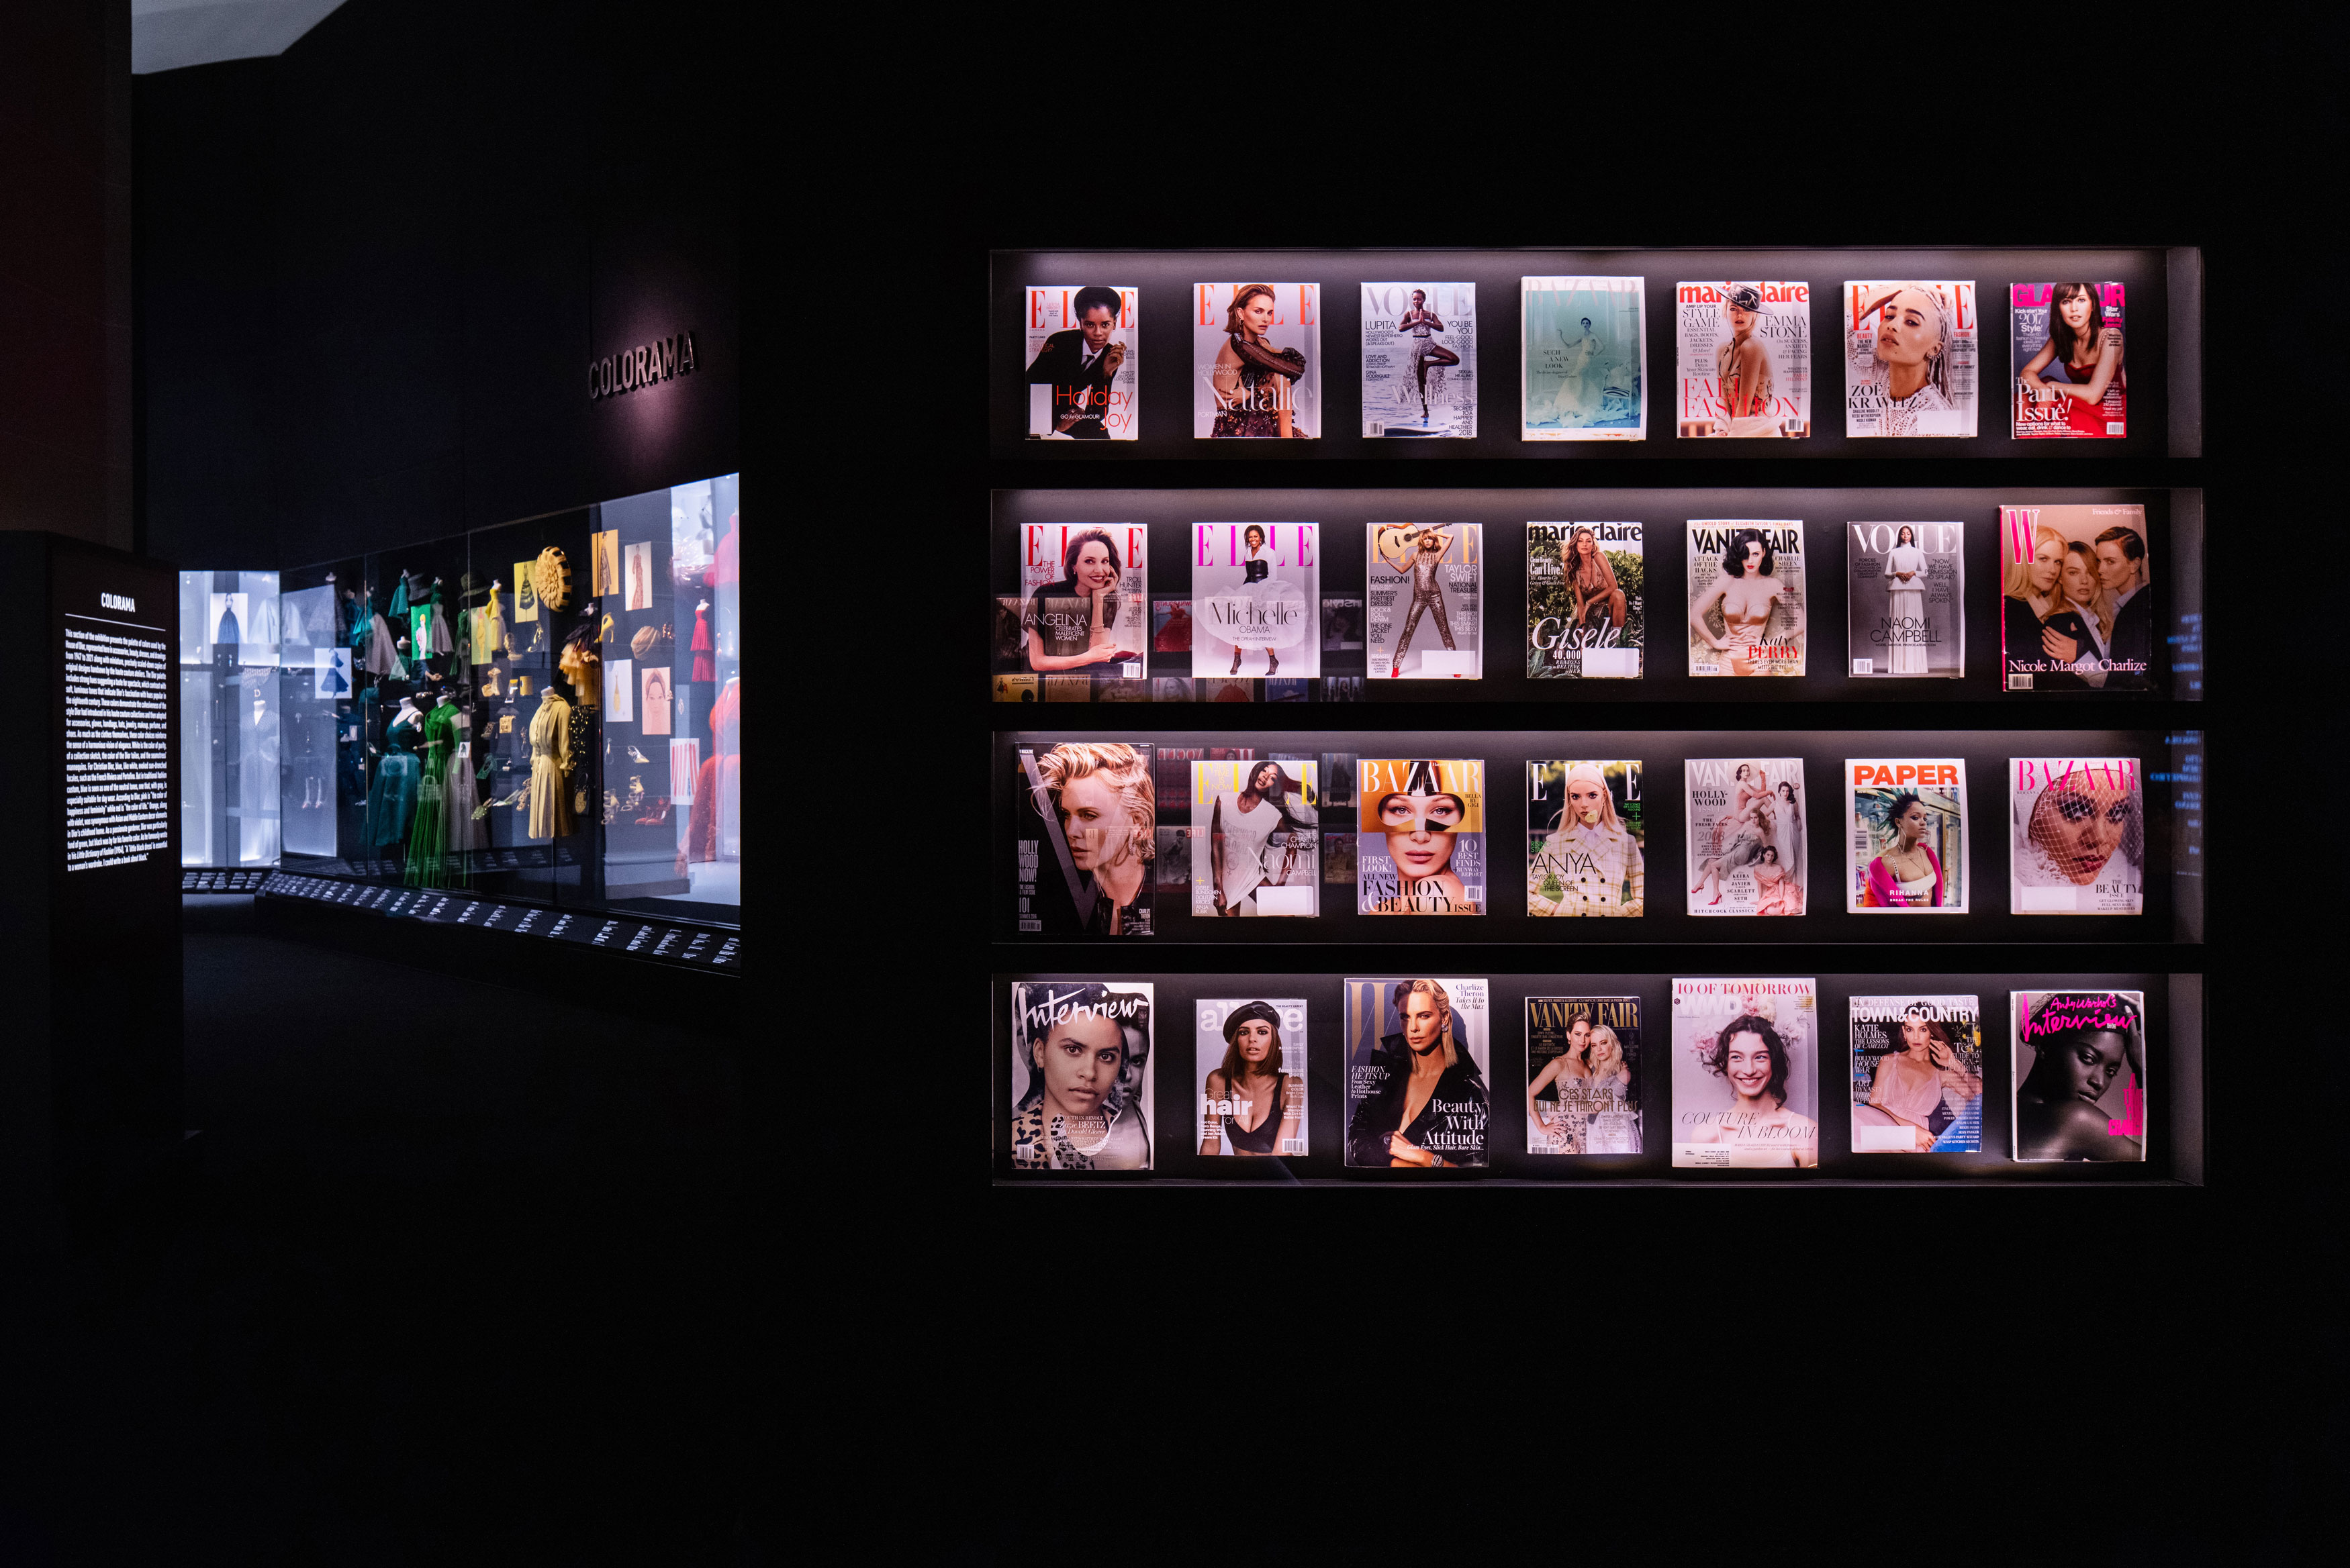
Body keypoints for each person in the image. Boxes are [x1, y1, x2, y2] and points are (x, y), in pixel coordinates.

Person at [1010, 982, 1152, 1169]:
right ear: (1040, 1053)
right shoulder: (1012, 1138)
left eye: (1106, 1056)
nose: (1090, 1073)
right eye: (1073, 1049)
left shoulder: (1136, 1138)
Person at [1346, 980, 1488, 1168]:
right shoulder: (1386, 1071)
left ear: (1444, 1018)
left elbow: (1476, 1171)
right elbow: (1357, 1136)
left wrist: (1420, 1156)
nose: (1413, 1027)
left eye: (1424, 1016)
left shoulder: (1470, 1094)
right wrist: (1396, 1163)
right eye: (1405, 1017)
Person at [1025, 741, 1153, 936]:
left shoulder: (1169, 888)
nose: (1071, 831)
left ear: (1137, 821)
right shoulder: (1050, 897)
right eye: (1067, 815)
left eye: (1089, 815)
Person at [2014, 993, 2144, 1161]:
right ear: (2045, 1045)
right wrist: (2142, 1067)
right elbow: (2162, 1161)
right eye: (2088, 1058)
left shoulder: (2013, 1111)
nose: (2099, 1082)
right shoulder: (2075, 1119)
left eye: (2111, 1071)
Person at [1684, 1014, 1818, 1167]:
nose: (1749, 1070)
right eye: (1736, 1057)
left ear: (1774, 1062)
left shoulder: (1805, 1132)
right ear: (1726, 1064)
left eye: (1760, 1057)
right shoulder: (1706, 1136)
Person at [1854, 1006, 1981, 1151]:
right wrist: (1911, 1130)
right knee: (1855, 1116)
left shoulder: (1942, 1074)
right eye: (1910, 1029)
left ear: (1932, 1032)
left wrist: (1955, 1064)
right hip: (1885, 1128)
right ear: (1904, 1032)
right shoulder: (1889, 1061)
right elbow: (1874, 1104)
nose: (1915, 1037)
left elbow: (1980, 1095)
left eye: (1923, 1029)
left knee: (1864, 1142)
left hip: (1917, 1143)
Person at [1527, 762, 1643, 916]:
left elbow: (1643, 898)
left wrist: (1618, 915)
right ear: (1569, 799)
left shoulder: (1626, 843)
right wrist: (1557, 911)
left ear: (1604, 796)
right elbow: (1526, 893)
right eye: (1575, 797)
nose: (1584, 805)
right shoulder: (1555, 843)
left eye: (1592, 795)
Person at [1206, 761, 1314, 916]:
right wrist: (1218, 888)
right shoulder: (1223, 800)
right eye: (1264, 770)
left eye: (1272, 777)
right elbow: (1216, 847)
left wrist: (1281, 883)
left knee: (1287, 916)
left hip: (1253, 878)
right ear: (1256, 770)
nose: (1265, 777)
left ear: (1274, 785)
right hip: (1227, 882)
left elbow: (1292, 844)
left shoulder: (1272, 814)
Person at [1689, 529, 1803, 675]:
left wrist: (1770, 643)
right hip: (1728, 661)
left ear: (1763, 552)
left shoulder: (1773, 585)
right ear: (1739, 554)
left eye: (1755, 554)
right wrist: (1715, 642)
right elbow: (1694, 615)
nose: (1750, 561)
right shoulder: (1726, 581)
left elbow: (1801, 621)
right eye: (1745, 554)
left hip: (1759, 661)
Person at [2015, 767, 2142, 898]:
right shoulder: (2015, 891)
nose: (2100, 839)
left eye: (2118, 813)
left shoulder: (2124, 892)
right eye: (2076, 810)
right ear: (2031, 814)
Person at [2017, 282, 2122, 439]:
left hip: (2107, 412)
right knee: (2026, 398)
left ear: (2093, 305)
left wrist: (2052, 386)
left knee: (2051, 425)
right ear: (2058, 309)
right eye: (2066, 301)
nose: (2074, 308)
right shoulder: (2061, 338)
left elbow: (2093, 395)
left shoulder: (2112, 337)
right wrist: (2042, 390)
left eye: (2081, 300)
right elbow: (2027, 372)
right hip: (2078, 403)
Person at [1025, 528, 1138, 673]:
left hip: (1079, 679)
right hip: (1038, 678)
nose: (1099, 570)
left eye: (1105, 561)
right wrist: (1088, 657)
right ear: (1074, 566)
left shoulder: (1107, 599)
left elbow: (1098, 660)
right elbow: (1037, 662)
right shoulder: (1045, 593)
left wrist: (1098, 600)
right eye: (1089, 561)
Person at [1854, 283, 1959, 434]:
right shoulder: (1877, 371)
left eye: (1911, 322)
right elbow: (1846, 310)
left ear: (1935, 349)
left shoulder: (1937, 415)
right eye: (1889, 316)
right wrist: (1907, 285)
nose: (1892, 325)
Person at [1025, 285, 1127, 439]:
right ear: (1081, 324)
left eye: (1105, 324)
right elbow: (1032, 386)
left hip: (1069, 411)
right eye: (1090, 325)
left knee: (1099, 433)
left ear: (1115, 323)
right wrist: (1055, 424)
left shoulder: (1110, 355)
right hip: (1034, 407)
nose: (1098, 333)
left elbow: (1097, 414)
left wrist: (1106, 373)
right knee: (1032, 438)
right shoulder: (1059, 342)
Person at [1201, 1001, 1300, 1157]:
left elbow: (1282, 1153)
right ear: (1236, 1041)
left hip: (1276, 1172)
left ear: (1273, 1039)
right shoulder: (1218, 1081)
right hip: (1238, 1172)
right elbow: (1210, 1145)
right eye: (1244, 1032)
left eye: (1262, 1032)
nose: (1252, 1039)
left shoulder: (1291, 1085)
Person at [1209, 284, 1307, 438]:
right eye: (1258, 311)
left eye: (1270, 313)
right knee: (1281, 379)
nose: (1265, 319)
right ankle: (1288, 441)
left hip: (1252, 414)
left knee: (1280, 378)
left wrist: (1249, 393)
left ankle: (1287, 440)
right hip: (1235, 424)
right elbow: (1296, 369)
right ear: (1241, 313)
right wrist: (1272, 352)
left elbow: (1294, 367)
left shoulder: (1257, 344)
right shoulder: (1240, 345)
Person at [2000, 520, 2083, 688]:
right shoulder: (2010, 610)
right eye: (2043, 559)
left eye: (2058, 562)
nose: (2053, 570)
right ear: (2023, 560)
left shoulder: (2047, 609)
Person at [1370, 781, 1472, 912]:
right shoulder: (1383, 910)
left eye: (1440, 811)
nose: (1420, 837)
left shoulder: (1435, 895)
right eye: (1401, 810)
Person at [1378, 525, 1458, 676]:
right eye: (1425, 539)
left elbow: (1451, 537)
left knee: (1445, 630)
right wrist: (1388, 561)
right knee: (1408, 630)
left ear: (1433, 541)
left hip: (1435, 596)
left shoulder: (1437, 555)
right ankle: (1396, 667)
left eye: (1430, 539)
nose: (1427, 541)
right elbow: (1403, 570)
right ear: (1421, 541)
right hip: (1419, 598)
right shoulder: (1415, 555)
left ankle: (1456, 666)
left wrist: (1434, 533)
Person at [1217, 524, 1295, 677]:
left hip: (1264, 591)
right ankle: (1237, 660)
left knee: (1263, 626)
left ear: (1261, 537)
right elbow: (1249, 575)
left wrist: (1262, 592)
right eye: (1250, 537)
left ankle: (1273, 660)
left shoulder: (1269, 552)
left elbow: (1273, 576)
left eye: (1255, 536)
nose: (1253, 539)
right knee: (1239, 624)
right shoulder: (1248, 552)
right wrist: (1245, 591)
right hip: (1248, 589)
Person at [2040, 540, 2116, 689]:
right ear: (2060, 578)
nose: (2084, 581)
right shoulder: (2059, 624)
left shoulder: (2097, 622)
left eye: (2090, 572)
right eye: (2073, 573)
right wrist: (2082, 655)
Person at [1715, 284, 1781, 436]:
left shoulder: (1752, 346)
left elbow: (1744, 407)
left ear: (1755, 315)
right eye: (1734, 309)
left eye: (1747, 310)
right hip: (1735, 430)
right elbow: (1723, 399)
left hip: (1759, 432)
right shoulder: (1722, 350)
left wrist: (1732, 437)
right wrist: (1722, 430)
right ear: (1726, 310)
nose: (1740, 315)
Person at [1862, 790, 1945, 908]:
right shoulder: (1889, 863)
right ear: (1899, 822)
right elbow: (1873, 904)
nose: (1923, 823)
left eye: (1925, 819)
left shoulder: (1927, 852)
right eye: (1915, 818)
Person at [2093, 524, 2153, 686]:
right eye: (2099, 561)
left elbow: (2123, 681)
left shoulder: (2138, 609)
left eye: (2110, 562)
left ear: (2134, 565)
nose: (2100, 569)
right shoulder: (2131, 604)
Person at [1394, 289, 1459, 424]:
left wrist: (1426, 322)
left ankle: (1428, 364)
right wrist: (1418, 322)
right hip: (1417, 347)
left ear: (1424, 300)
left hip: (1429, 343)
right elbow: (1401, 328)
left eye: (1419, 299)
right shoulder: (1409, 314)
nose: (1416, 302)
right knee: (1421, 381)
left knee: (1454, 359)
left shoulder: (1430, 314)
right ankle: (1425, 411)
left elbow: (1441, 328)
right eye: (1414, 299)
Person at [1881, 524, 1931, 674]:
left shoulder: (1917, 552)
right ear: (1899, 536)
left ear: (1911, 536)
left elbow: (1927, 572)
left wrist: (1913, 572)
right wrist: (1897, 573)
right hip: (1897, 588)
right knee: (1898, 623)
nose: (1905, 536)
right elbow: (1886, 573)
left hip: (1913, 589)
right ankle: (1899, 666)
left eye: (1908, 534)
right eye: (1903, 534)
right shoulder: (1894, 552)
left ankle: (1914, 665)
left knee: (1913, 623)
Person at [1565, 526, 1628, 635]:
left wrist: (1589, 602)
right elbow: (1580, 605)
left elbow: (1614, 586)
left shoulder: (1599, 557)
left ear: (1593, 545)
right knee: (1579, 640)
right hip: (1590, 613)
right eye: (1580, 541)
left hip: (1609, 607)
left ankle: (1618, 638)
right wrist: (1583, 634)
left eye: (1588, 541)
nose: (1584, 544)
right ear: (1575, 545)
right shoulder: (1574, 570)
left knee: (1619, 594)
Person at [1750, 844, 1803, 916]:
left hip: (1783, 890)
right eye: (1768, 855)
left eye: (1772, 856)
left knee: (1793, 907)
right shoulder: (1758, 868)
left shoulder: (1778, 868)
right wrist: (1760, 900)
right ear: (1764, 855)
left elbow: (1781, 885)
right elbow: (1759, 884)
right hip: (1769, 893)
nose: (1770, 858)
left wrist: (1781, 899)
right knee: (1771, 910)